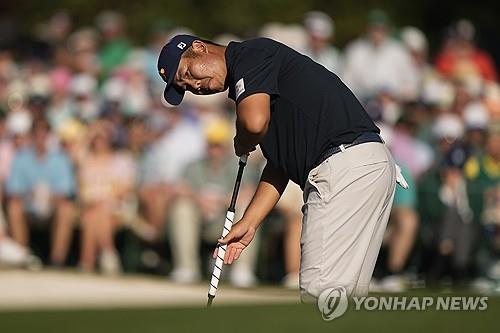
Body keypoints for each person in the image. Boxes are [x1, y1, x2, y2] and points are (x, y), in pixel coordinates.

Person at [157, 34, 407, 300]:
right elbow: (279, 165)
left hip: (345, 166)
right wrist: (250, 222)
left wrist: (242, 140)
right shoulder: (259, 84)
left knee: (318, 296)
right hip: (365, 165)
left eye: (187, 73)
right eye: (185, 87)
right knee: (345, 300)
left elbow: (253, 123)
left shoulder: (249, 55)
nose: (195, 85)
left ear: (199, 47)